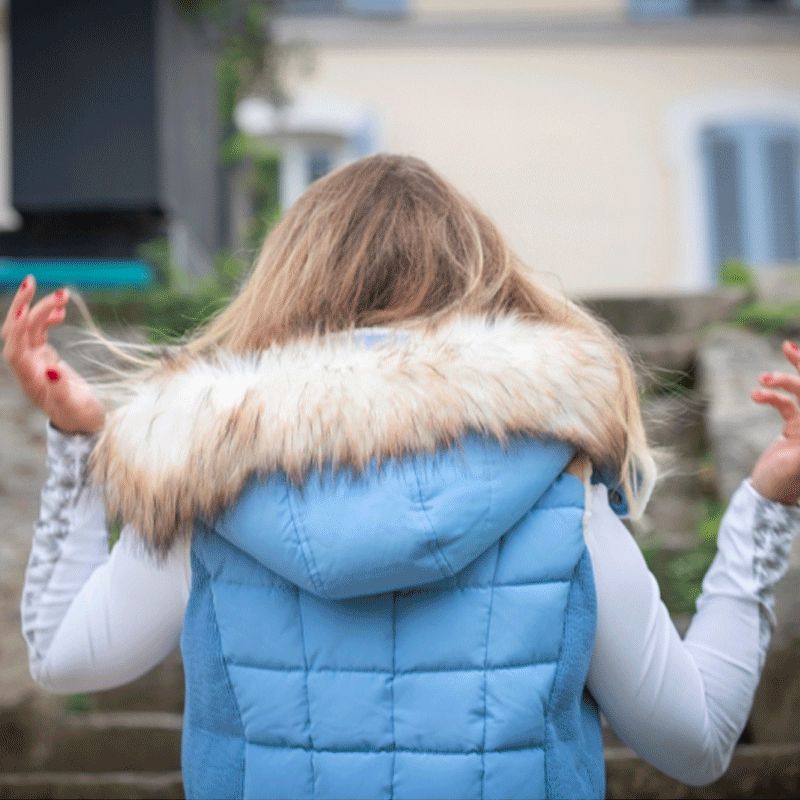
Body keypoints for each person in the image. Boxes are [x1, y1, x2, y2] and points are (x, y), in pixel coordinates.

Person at [4, 153, 800, 800]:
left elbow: (70, 659)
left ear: (288, 284)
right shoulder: (565, 499)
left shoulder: (206, 485)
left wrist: (79, 444)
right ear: (482, 286)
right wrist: (764, 507)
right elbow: (694, 746)